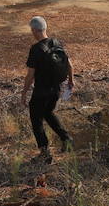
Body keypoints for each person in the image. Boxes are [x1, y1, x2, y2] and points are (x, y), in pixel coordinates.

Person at [21, 15, 74, 163]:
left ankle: (44, 153)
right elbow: (70, 65)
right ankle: (66, 138)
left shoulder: (36, 49)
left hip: (41, 91)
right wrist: (71, 81)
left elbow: (30, 75)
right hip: (56, 89)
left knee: (36, 119)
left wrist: (24, 93)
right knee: (48, 112)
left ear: (34, 30)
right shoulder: (57, 42)